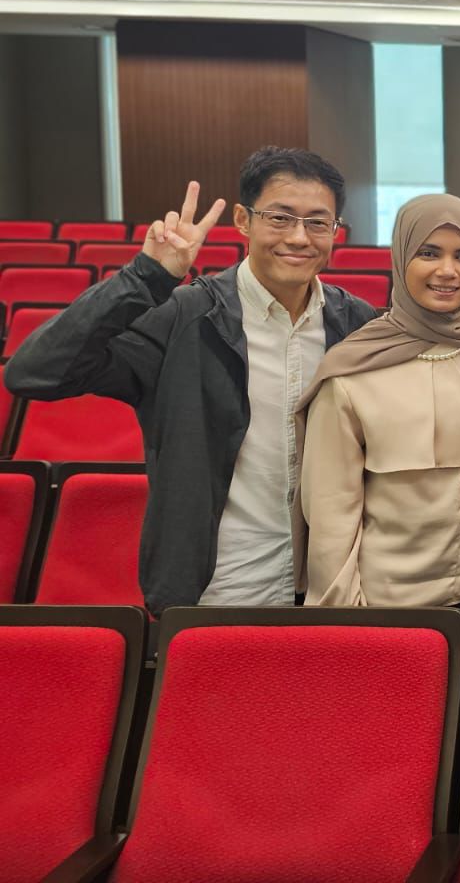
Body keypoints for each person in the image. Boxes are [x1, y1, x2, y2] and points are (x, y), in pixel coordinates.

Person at [3, 148, 376, 611]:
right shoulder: (185, 317)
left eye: (318, 223)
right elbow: (35, 372)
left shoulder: (356, 324)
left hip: (329, 588)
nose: (299, 238)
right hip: (218, 590)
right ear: (243, 220)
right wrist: (146, 277)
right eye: (280, 218)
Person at [297, 194, 460, 616]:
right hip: (389, 598)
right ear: (401, 257)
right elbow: (331, 513)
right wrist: (340, 612)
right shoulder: (352, 368)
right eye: (429, 253)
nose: (448, 271)